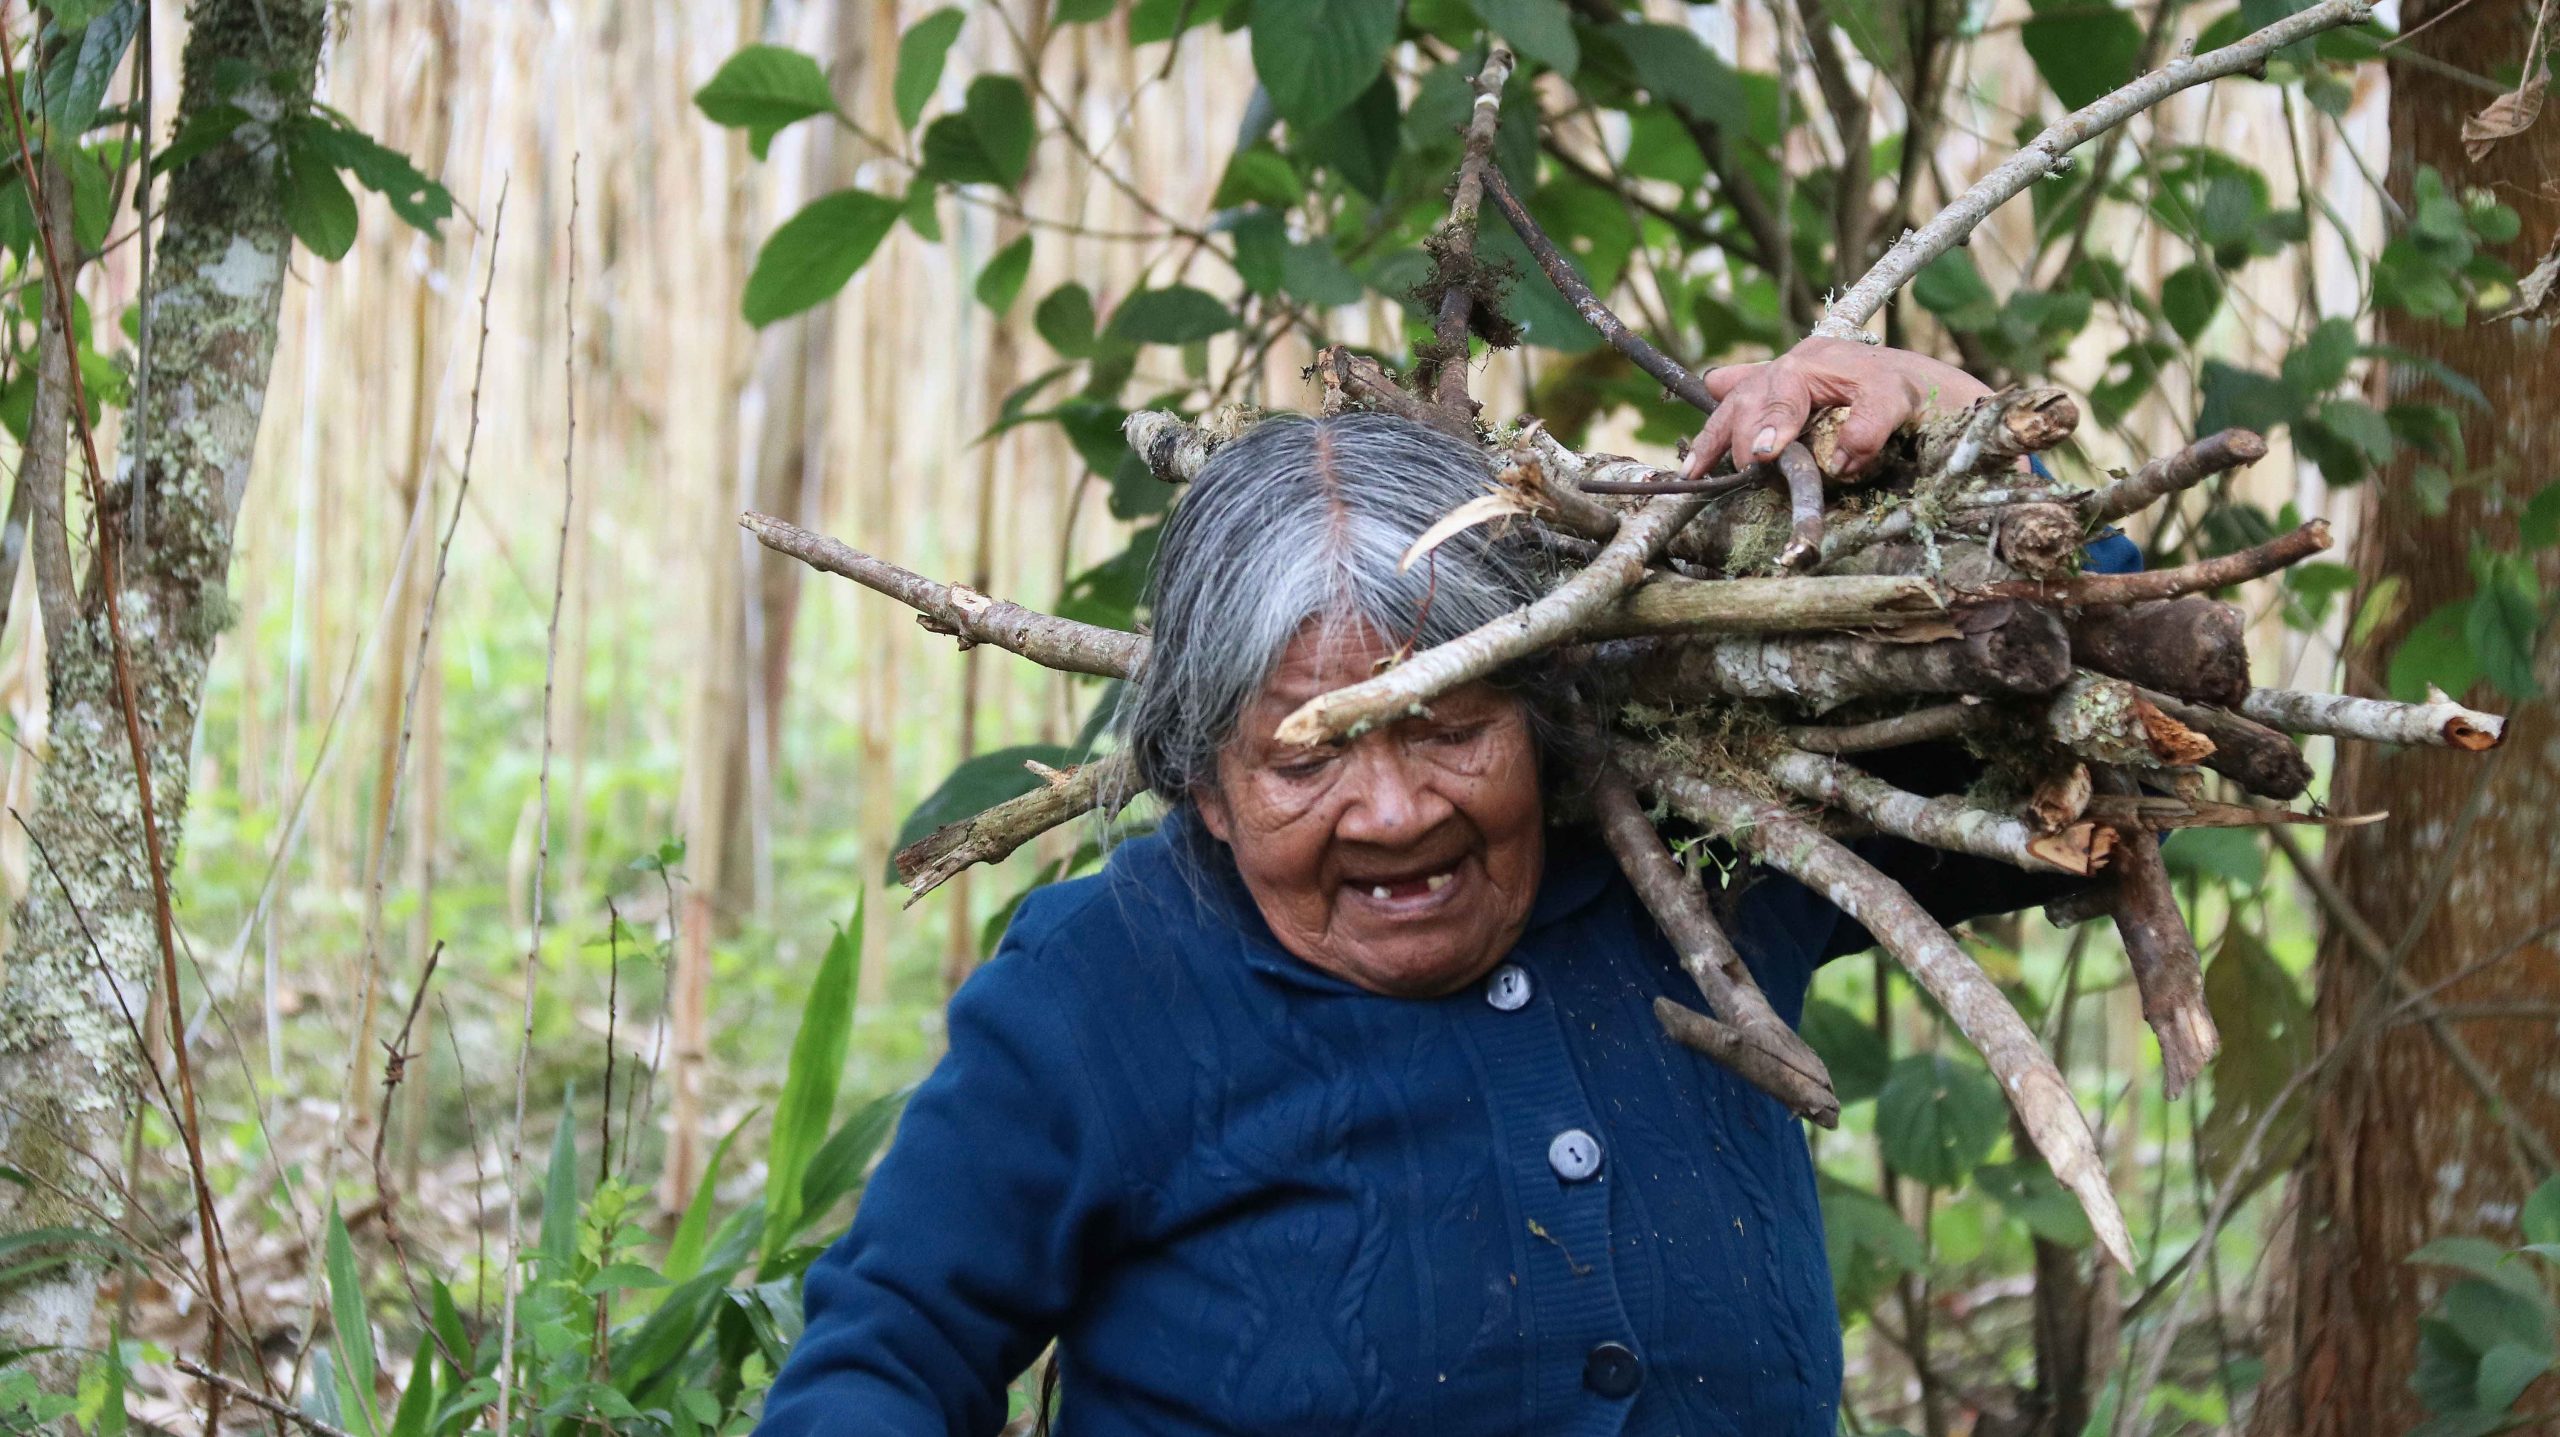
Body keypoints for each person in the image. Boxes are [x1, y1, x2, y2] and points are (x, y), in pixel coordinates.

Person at [758, 340, 2124, 1435]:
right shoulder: (1103, 985)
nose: (1399, 808)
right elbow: (886, 1356)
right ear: (1205, 781)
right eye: (1315, 745)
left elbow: (2106, 699)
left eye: (1450, 721)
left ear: (1541, 711)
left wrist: (1942, 407)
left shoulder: (1705, 857)